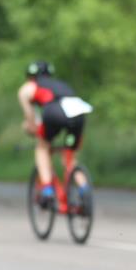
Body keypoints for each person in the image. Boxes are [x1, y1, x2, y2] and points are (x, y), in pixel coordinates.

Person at [17, 61, 90, 205]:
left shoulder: (28, 87)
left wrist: (29, 128)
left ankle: (47, 190)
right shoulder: (60, 84)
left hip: (55, 112)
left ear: (30, 76)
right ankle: (84, 189)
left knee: (42, 147)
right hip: (79, 112)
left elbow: (31, 121)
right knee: (70, 156)